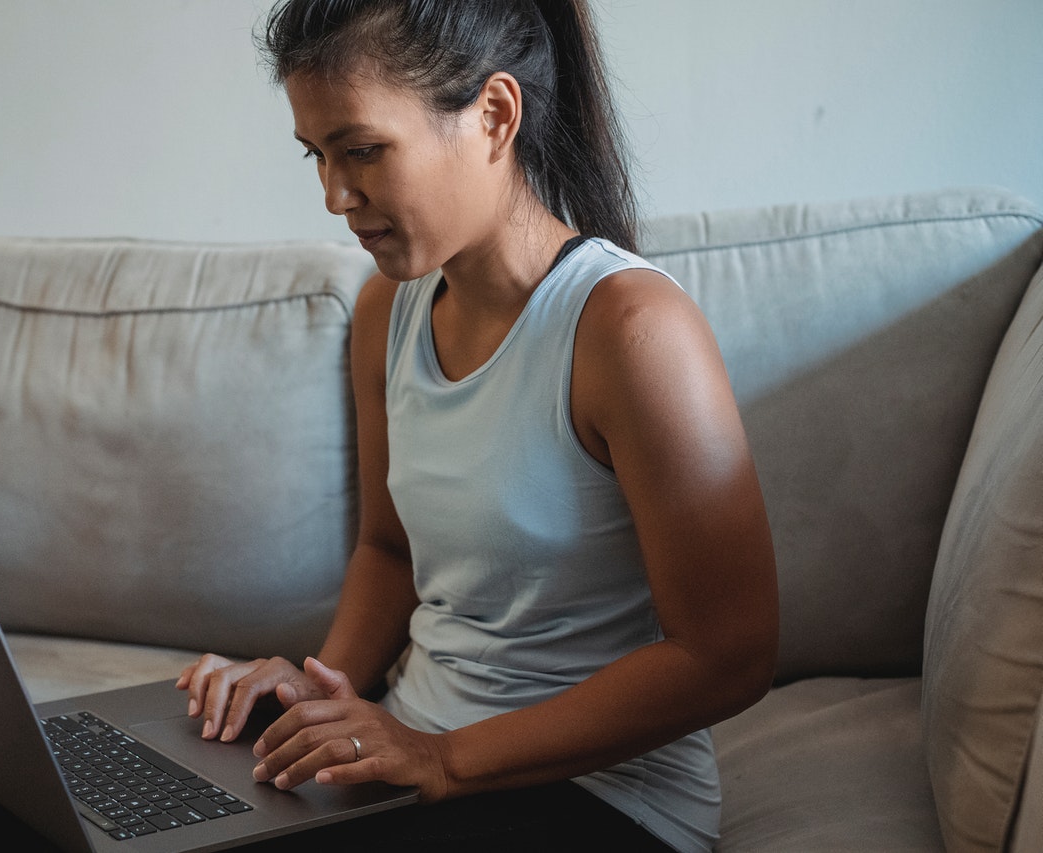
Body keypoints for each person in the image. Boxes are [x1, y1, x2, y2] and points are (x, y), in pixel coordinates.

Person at [177, 1, 779, 850]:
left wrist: (443, 757)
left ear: (495, 115)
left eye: (362, 150)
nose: (334, 195)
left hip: (598, 796)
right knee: (44, 815)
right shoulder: (388, 310)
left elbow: (732, 651)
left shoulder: (630, 330)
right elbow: (389, 551)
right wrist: (324, 692)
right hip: (413, 764)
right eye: (318, 156)